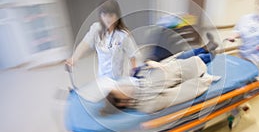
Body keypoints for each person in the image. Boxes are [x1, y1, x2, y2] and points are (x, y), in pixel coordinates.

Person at [76, 36, 220, 114]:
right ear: (123, 103)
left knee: (181, 55)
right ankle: (212, 53)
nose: (123, 86)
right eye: (121, 91)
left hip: (167, 68)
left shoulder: (133, 92)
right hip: (178, 73)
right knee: (195, 60)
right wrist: (156, 66)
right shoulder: (145, 103)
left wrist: (145, 67)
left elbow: (102, 85)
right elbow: (166, 83)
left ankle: (208, 46)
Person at [66, 0, 139, 79]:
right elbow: (84, 44)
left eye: (111, 16)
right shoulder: (96, 29)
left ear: (117, 16)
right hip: (102, 78)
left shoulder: (123, 34)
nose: (107, 19)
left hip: (117, 78)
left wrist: (133, 70)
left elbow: (132, 54)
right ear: (100, 16)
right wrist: (74, 58)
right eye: (104, 15)